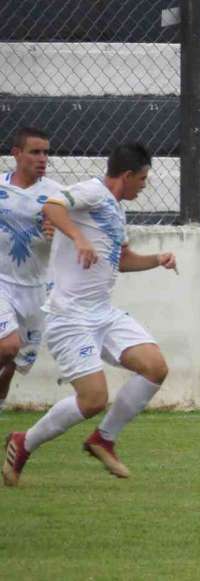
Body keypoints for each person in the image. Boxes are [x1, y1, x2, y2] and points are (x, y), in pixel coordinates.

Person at [2, 143, 177, 487]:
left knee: (155, 367)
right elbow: (53, 206)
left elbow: (121, 261)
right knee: (94, 399)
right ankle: (24, 443)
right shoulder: (92, 192)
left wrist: (157, 259)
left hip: (103, 313)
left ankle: (103, 439)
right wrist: (78, 237)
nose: (145, 185)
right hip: (70, 317)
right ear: (126, 176)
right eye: (142, 178)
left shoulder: (115, 208)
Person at [0, 127, 62, 413]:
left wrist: (58, 232)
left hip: (36, 290)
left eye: (46, 152)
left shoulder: (57, 195)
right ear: (16, 154)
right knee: (8, 346)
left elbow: (74, 237)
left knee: (12, 365)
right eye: (35, 152)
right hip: (2, 282)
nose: (42, 158)